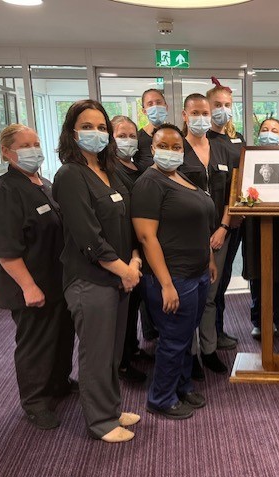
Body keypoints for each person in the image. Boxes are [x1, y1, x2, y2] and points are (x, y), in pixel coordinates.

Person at [53, 99, 141, 443]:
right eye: (87, 127)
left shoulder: (110, 171)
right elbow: (88, 236)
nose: (96, 133)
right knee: (96, 353)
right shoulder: (70, 176)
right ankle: (100, 422)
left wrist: (133, 260)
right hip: (91, 280)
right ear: (72, 133)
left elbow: (126, 221)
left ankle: (111, 407)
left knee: (112, 351)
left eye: (101, 127)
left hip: (119, 277)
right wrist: (124, 270)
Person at [0, 124, 75, 430]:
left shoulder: (42, 183)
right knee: (36, 343)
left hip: (57, 280)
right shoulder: (2, 192)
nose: (34, 150)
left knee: (61, 336)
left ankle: (59, 383)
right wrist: (29, 286)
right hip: (30, 285)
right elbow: (4, 250)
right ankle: (35, 401)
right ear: (7, 152)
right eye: (25, 145)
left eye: (36, 143)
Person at [132, 123, 217, 420]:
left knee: (185, 335)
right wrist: (166, 284)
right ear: (152, 149)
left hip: (197, 273)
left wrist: (209, 260)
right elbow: (146, 237)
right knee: (174, 339)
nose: (171, 151)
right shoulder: (149, 183)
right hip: (173, 277)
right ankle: (161, 397)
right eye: (164, 146)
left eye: (176, 147)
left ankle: (181, 386)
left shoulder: (179, 176)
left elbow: (198, 225)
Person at [178, 93, 233, 380]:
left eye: (205, 112)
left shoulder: (220, 148)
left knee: (210, 296)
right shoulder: (178, 149)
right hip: (187, 239)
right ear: (185, 116)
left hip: (217, 236)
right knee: (190, 298)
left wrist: (223, 227)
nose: (201, 117)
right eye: (195, 112)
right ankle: (190, 354)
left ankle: (209, 350)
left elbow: (232, 194)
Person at [241, 118, 279, 341]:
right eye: (265, 129)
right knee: (257, 275)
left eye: (274, 130)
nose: (269, 133)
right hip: (255, 222)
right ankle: (260, 321)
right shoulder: (249, 157)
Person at [111, 115, 150, 384]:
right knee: (122, 310)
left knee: (134, 304)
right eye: (121, 135)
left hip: (141, 247)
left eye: (131, 135)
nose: (127, 140)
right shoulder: (111, 171)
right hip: (124, 250)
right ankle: (122, 364)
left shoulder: (136, 167)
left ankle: (132, 349)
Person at [206, 78, 244, 351]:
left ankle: (217, 331)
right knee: (210, 283)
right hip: (210, 225)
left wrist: (230, 221)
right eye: (217, 105)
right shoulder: (200, 140)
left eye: (227, 105)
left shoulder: (237, 139)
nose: (223, 110)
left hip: (234, 221)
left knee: (224, 279)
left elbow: (241, 182)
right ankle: (207, 337)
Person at [134, 88, 169, 172]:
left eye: (158, 102)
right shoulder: (138, 138)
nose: (155, 106)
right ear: (144, 111)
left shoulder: (175, 136)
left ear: (166, 107)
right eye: (150, 104)